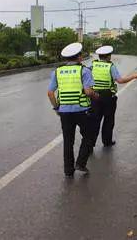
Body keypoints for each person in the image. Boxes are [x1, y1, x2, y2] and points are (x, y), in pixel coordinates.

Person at [47, 42, 99, 177]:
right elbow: (88, 92)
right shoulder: (84, 71)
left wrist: (57, 107)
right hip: (82, 110)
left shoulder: (57, 72)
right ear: (80, 57)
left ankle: (68, 170)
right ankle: (81, 163)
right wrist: (95, 94)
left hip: (64, 112)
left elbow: (50, 93)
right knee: (89, 136)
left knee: (68, 141)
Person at [90, 45, 137, 148]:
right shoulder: (110, 66)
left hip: (94, 96)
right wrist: (134, 76)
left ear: (100, 56)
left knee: (95, 120)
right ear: (109, 56)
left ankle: (90, 144)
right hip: (108, 97)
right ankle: (107, 141)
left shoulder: (93, 65)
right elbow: (120, 80)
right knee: (108, 120)